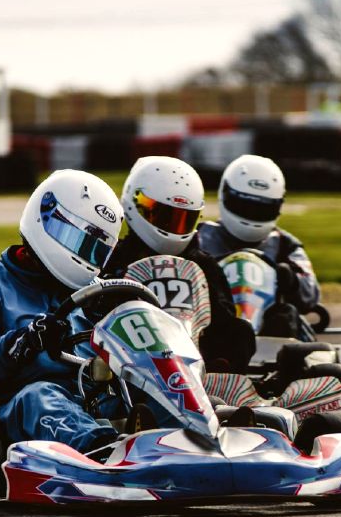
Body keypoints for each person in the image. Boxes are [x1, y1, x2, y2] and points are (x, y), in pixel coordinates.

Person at [0, 170, 123, 454]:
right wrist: (27, 340)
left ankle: (194, 437)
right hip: (14, 410)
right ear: (46, 220)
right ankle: (105, 454)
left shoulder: (100, 294)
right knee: (40, 396)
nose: (85, 258)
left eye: (94, 250)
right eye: (79, 242)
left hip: (92, 400)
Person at [102, 156, 255, 373]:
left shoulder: (204, 266)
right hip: (128, 364)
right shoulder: (114, 261)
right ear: (135, 203)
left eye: (183, 219)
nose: (172, 228)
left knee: (241, 331)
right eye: (164, 216)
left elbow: (224, 321)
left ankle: (211, 382)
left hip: (198, 367)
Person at [197, 154, 320, 336]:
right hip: (212, 330)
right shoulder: (200, 238)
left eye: (261, 209)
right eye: (244, 206)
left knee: (286, 315)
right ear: (225, 195)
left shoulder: (285, 245)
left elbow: (310, 296)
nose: (251, 215)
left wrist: (291, 280)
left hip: (270, 335)